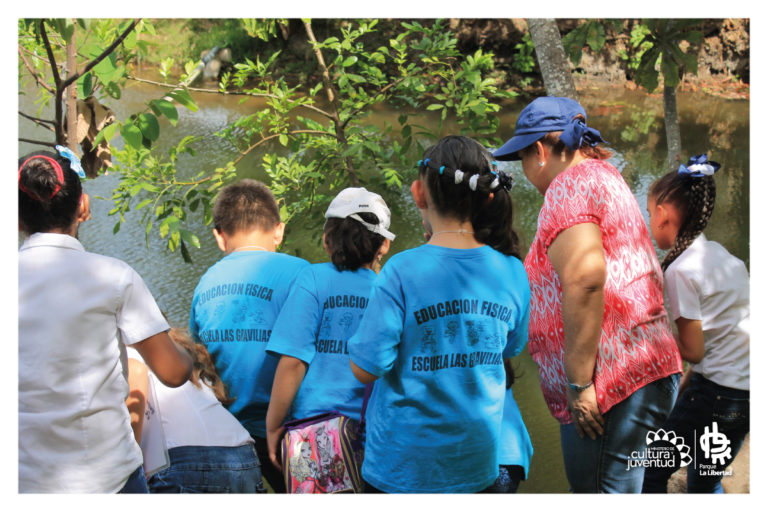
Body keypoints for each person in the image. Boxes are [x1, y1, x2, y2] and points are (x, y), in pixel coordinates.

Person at [493, 96, 683, 493]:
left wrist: (580, 386)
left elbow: (585, 279)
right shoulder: (603, 176)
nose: (525, 170)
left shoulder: (567, 187)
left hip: (611, 386)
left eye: (523, 158)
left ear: (541, 151)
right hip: (643, 371)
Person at [348, 135, 531, 493]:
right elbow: (511, 348)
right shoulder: (511, 270)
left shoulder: (401, 270)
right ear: (488, 197)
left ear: (419, 193)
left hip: (402, 468)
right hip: (477, 464)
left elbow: (365, 369)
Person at [18, 149, 193, 493]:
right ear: (83, 207)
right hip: (108, 478)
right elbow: (173, 373)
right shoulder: (112, 276)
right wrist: (188, 357)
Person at [189, 179, 309, 492]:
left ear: (219, 237)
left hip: (239, 436)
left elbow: (200, 368)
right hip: (300, 428)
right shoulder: (303, 273)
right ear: (279, 230)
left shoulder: (204, 286)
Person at [264, 187, 394, 473]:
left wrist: (273, 426)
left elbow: (294, 361)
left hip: (312, 435)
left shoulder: (312, 279)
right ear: (383, 244)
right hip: (373, 436)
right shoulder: (389, 291)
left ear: (326, 241)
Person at [642, 155, 749, 493]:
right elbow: (724, 339)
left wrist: (654, 324)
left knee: (652, 471)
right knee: (705, 480)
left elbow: (695, 350)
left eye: (648, 213)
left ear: (663, 214)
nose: (648, 220)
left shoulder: (681, 271)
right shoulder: (723, 256)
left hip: (718, 396)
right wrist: (687, 387)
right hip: (744, 394)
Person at [127, 328, 266, 493]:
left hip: (184, 461)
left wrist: (128, 469)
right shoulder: (172, 349)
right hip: (242, 453)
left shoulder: (120, 352)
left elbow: (135, 371)